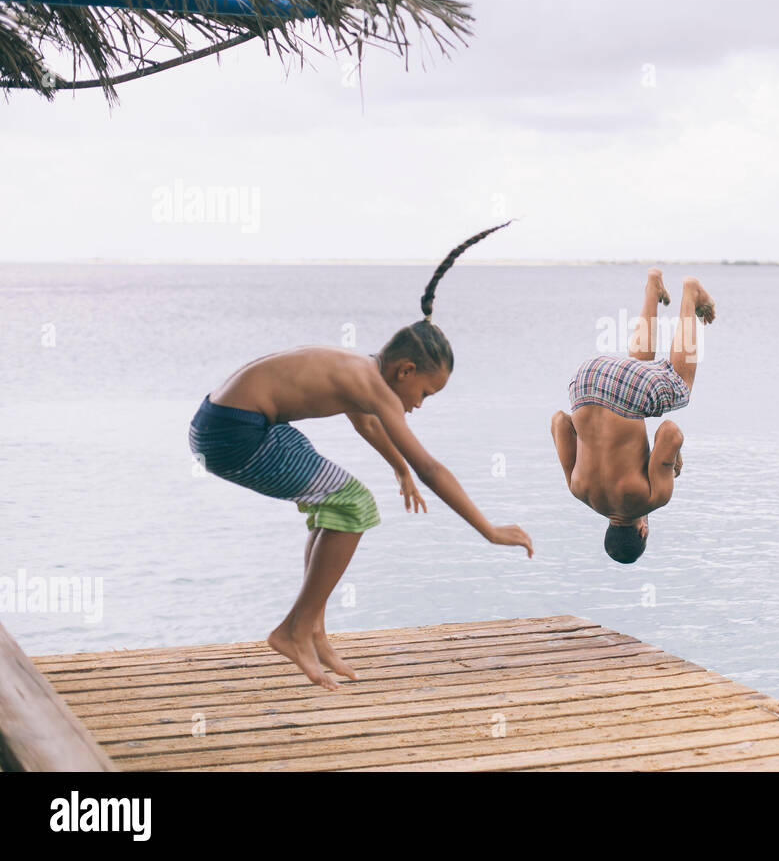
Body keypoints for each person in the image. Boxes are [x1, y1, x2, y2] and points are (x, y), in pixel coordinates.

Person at [188, 224, 532, 690]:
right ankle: (292, 630)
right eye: (425, 392)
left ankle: (312, 631)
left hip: (230, 422)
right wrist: (487, 529)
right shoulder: (375, 385)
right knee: (355, 504)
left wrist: (398, 468)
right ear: (405, 369)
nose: (420, 404)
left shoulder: (361, 371)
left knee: (336, 504)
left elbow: (365, 421)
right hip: (234, 435)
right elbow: (433, 467)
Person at [551, 268, 715, 564]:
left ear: (643, 532)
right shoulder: (578, 489)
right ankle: (652, 289)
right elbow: (560, 422)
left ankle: (690, 295)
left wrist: (674, 455)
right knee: (634, 372)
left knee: (681, 388)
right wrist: (595, 426)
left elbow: (670, 432)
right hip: (586, 379)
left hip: (625, 394)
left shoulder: (652, 497)